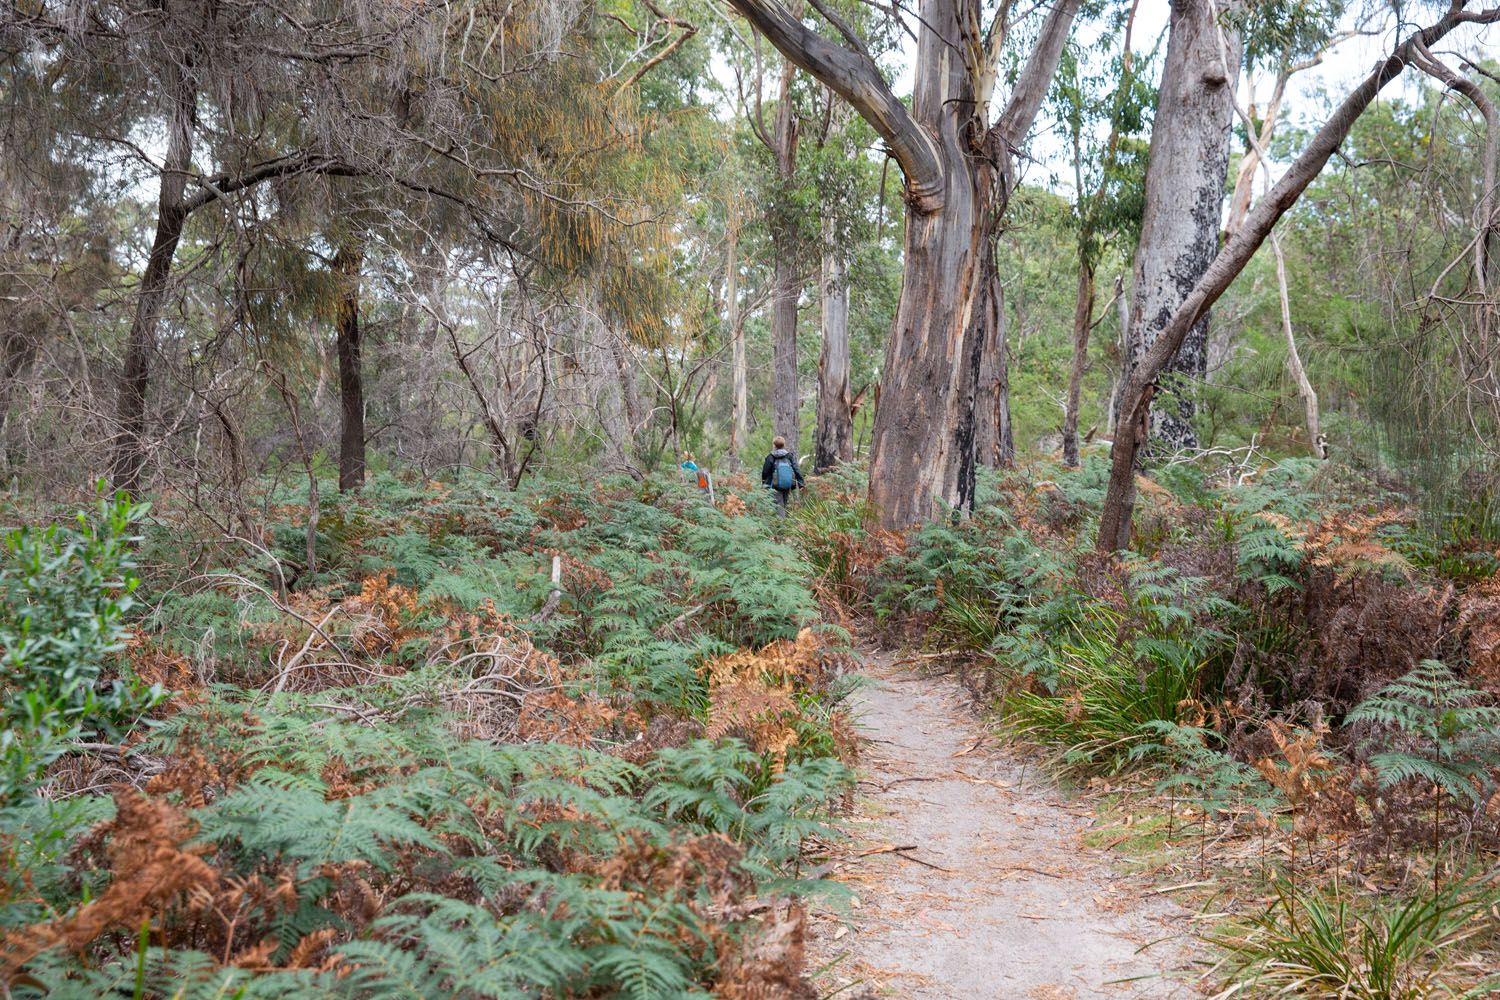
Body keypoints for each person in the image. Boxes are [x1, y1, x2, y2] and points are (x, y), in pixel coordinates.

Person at [760, 436, 804, 516]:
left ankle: (781, 521)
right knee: (784, 503)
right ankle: (784, 520)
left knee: (779, 505)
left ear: (774, 445)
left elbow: (765, 472)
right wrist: (801, 483)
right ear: (784, 445)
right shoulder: (789, 456)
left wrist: (764, 483)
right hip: (787, 483)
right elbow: (796, 469)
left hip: (774, 485)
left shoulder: (770, 457)